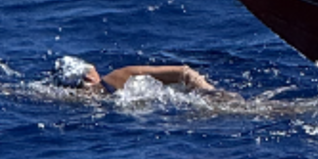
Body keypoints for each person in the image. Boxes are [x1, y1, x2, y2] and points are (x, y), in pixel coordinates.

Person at [51, 55, 219, 94]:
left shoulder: (75, 99)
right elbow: (184, 72)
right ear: (89, 77)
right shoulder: (115, 79)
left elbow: (184, 72)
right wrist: (211, 93)